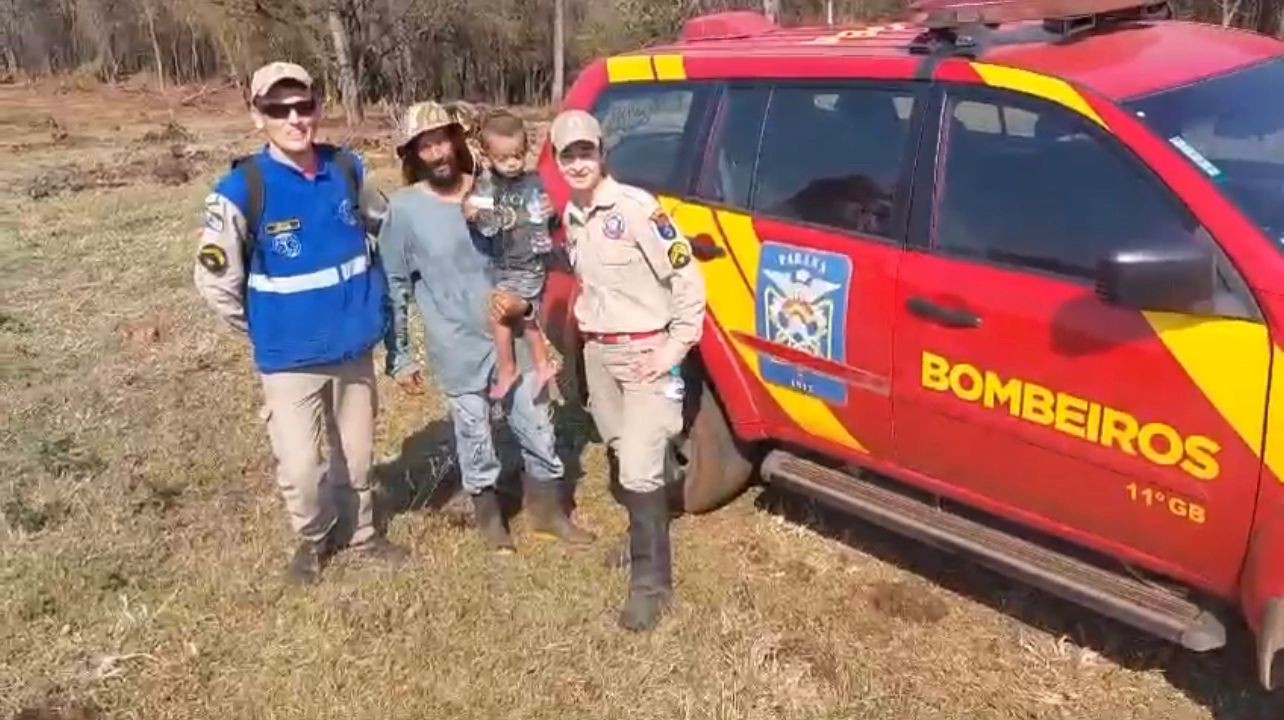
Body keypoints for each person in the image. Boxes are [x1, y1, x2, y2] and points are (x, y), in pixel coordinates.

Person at [193, 61, 408, 584]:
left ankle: (360, 536)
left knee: (356, 461)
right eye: (278, 109)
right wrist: (266, 329)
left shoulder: (348, 168)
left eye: (303, 106)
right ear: (257, 116)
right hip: (288, 359)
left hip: (353, 350)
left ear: (319, 107)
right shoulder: (241, 188)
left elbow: (390, 226)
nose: (294, 118)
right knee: (302, 470)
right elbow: (215, 281)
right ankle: (313, 540)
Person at [380, 101, 595, 554]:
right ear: (413, 154)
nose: (437, 153)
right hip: (456, 346)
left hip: (514, 337)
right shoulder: (403, 211)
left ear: (458, 143)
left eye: (443, 141)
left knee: (538, 425)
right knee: (474, 434)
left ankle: (548, 513)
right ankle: (490, 517)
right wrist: (400, 356)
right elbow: (395, 286)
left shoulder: (496, 189)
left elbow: (533, 255)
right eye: (426, 145)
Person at [548, 109, 706, 631]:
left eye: (585, 152)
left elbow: (687, 279)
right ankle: (645, 531)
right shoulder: (573, 214)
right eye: (566, 155)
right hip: (601, 354)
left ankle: (651, 583)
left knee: (639, 465)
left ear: (602, 153)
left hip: (646, 355)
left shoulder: (637, 209)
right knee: (621, 450)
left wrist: (673, 348)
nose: (577, 163)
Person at [465, 108, 558, 401]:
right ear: (487, 154)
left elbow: (547, 210)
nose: (512, 163)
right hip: (503, 264)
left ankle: (507, 369)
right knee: (527, 315)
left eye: (517, 155)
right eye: (503, 158)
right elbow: (477, 215)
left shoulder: (534, 181)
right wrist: (471, 211)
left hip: (528, 262)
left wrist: (551, 210)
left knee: (500, 316)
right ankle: (542, 365)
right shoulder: (486, 184)